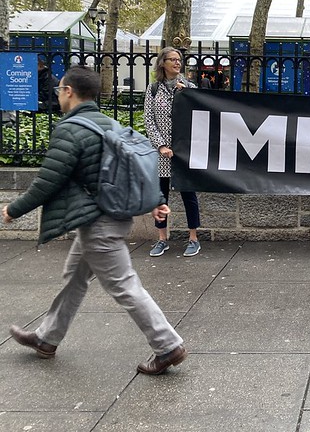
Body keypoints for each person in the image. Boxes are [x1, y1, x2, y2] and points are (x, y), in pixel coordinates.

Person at [2, 66, 187, 375]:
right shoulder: (108, 124)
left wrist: (13, 209)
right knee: (74, 277)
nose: (59, 94)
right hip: (105, 218)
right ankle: (47, 338)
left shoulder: (71, 128)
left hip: (99, 224)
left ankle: (167, 345)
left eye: (60, 89)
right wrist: (155, 201)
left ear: (69, 92)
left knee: (124, 285)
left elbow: (48, 181)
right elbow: (134, 166)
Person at [144, 47, 202, 258]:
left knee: (189, 195)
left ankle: (193, 238)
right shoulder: (153, 89)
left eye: (179, 60)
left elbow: (200, 110)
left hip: (184, 151)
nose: (177, 63)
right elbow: (149, 121)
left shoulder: (189, 87)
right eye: (172, 60)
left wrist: (186, 93)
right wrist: (160, 145)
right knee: (161, 197)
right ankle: (162, 239)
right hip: (162, 154)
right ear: (163, 63)